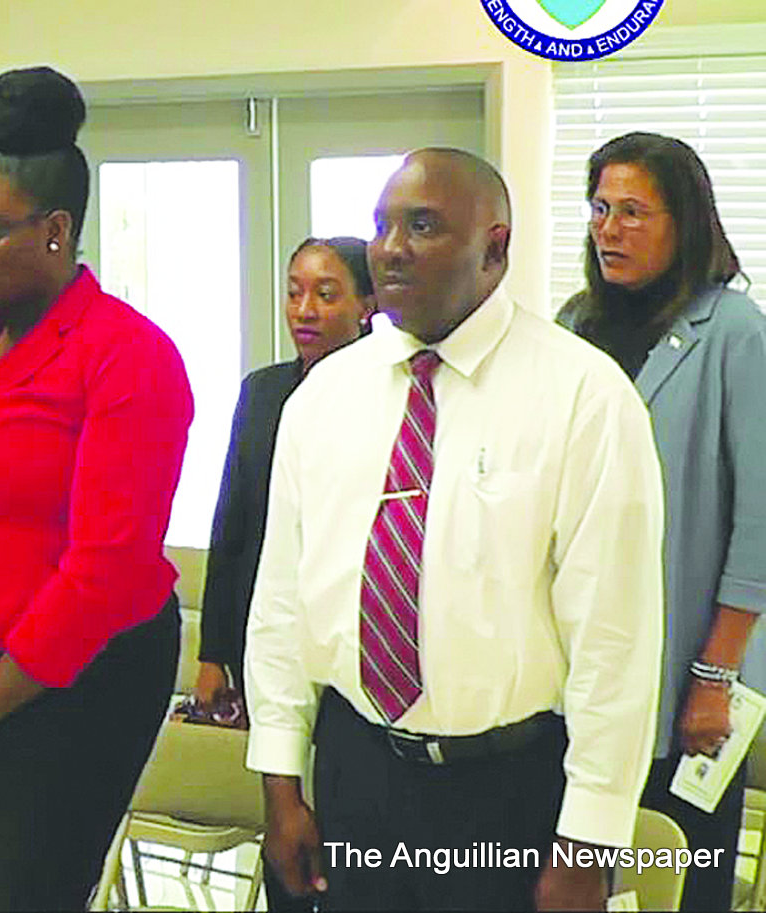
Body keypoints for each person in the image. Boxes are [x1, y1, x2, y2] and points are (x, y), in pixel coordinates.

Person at [247, 149, 665, 910]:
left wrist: (587, 841)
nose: (391, 247)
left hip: (507, 788)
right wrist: (279, 783)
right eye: (381, 225)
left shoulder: (583, 397)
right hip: (355, 771)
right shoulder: (322, 397)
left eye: (423, 225)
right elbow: (280, 601)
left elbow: (615, 639)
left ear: (494, 248)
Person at [0, 67, 194, 911]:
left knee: (33, 891)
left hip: (72, 679)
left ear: (55, 230)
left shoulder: (128, 357)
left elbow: (106, 568)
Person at [558, 131, 766, 913]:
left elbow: (759, 522)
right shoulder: (573, 326)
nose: (608, 228)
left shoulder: (735, 331)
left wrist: (713, 677)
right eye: (600, 208)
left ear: (684, 222)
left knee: (678, 880)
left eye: (633, 212)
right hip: (582, 667)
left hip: (689, 671)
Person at [195, 237, 375, 709]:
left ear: (367, 306)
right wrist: (212, 652)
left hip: (352, 637)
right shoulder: (263, 391)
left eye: (326, 294)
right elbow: (231, 524)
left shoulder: (389, 392)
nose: (304, 310)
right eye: (294, 293)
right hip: (262, 628)